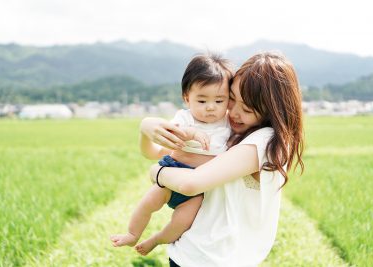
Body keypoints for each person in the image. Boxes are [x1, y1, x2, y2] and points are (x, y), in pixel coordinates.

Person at [141, 52, 304, 266]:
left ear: (272, 111)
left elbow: (190, 183)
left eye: (246, 109)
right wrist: (145, 127)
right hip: (193, 251)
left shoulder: (265, 143)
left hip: (216, 258)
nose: (234, 113)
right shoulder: (229, 130)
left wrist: (157, 173)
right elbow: (156, 151)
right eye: (231, 99)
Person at [110, 54, 234, 256]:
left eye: (219, 100)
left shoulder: (228, 122)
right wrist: (192, 133)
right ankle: (132, 234)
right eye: (202, 100)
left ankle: (157, 239)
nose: (211, 107)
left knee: (181, 223)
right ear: (187, 98)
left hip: (199, 188)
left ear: (229, 100)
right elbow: (174, 132)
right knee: (147, 204)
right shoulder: (184, 117)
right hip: (173, 173)